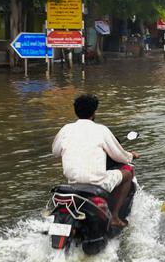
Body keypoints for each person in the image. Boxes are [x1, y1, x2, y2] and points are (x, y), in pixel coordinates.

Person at [52, 93, 137, 228]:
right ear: (94, 112)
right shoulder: (101, 130)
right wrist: (131, 156)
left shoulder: (65, 129)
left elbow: (55, 151)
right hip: (97, 181)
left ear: (76, 111)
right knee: (129, 171)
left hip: (73, 183)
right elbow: (120, 156)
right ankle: (114, 217)